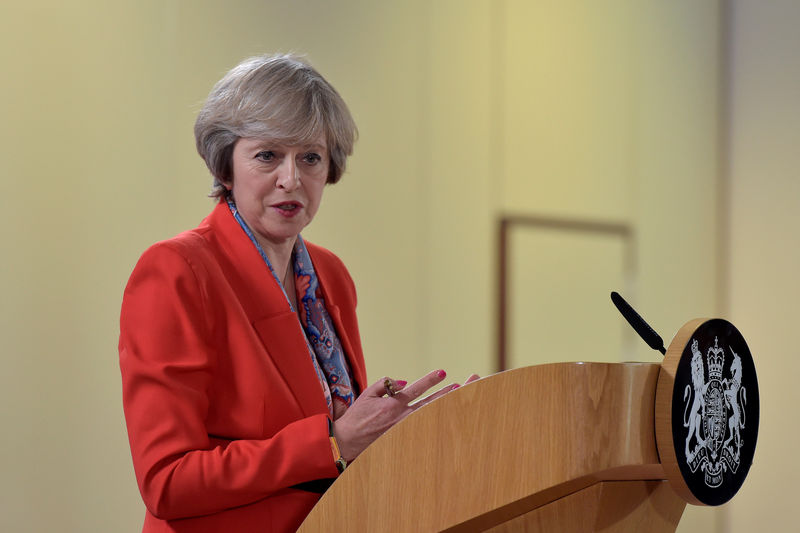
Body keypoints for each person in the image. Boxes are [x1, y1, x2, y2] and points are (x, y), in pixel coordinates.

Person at [119, 53, 476, 533]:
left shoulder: (331, 274)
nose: (292, 179)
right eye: (267, 155)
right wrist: (331, 442)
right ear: (226, 166)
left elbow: (340, 454)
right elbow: (168, 481)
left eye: (310, 157)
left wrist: (397, 433)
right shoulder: (178, 271)